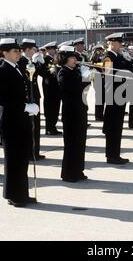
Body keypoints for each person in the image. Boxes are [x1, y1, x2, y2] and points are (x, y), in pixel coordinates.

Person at [0, 38, 38, 207]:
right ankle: (13, 195)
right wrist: (25, 107)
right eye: (15, 51)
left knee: (22, 159)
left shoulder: (18, 68)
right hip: (11, 122)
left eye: (19, 51)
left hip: (21, 120)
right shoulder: (1, 70)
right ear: (4, 53)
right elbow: (2, 99)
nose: (18, 53)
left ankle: (22, 193)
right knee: (13, 160)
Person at [57, 46, 90, 182]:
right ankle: (69, 173)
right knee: (71, 144)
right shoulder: (63, 73)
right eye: (72, 57)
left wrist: (86, 78)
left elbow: (85, 90)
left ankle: (78, 170)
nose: (75, 60)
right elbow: (72, 91)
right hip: (70, 113)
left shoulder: (75, 71)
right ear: (65, 59)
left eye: (75, 57)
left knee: (80, 143)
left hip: (81, 110)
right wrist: (83, 79)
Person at [102, 32, 133, 164]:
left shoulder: (118, 56)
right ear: (112, 43)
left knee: (117, 126)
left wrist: (129, 60)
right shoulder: (108, 57)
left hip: (119, 94)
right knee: (113, 126)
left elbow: (128, 68)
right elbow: (109, 75)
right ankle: (111, 155)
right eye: (119, 43)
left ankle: (115, 154)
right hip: (113, 95)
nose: (121, 46)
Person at [18, 38, 46, 161]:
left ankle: (35, 151)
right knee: (29, 126)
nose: (36, 50)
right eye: (34, 48)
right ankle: (29, 152)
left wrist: (41, 63)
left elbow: (44, 74)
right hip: (27, 98)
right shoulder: (21, 61)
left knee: (36, 126)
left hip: (35, 96)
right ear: (28, 49)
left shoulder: (31, 61)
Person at [41, 42, 62, 135]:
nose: (55, 51)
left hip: (56, 87)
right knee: (50, 107)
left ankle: (53, 126)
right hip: (49, 86)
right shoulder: (45, 59)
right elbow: (43, 72)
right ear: (48, 49)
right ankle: (49, 127)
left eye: (55, 49)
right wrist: (50, 72)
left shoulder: (55, 59)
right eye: (53, 49)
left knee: (56, 107)